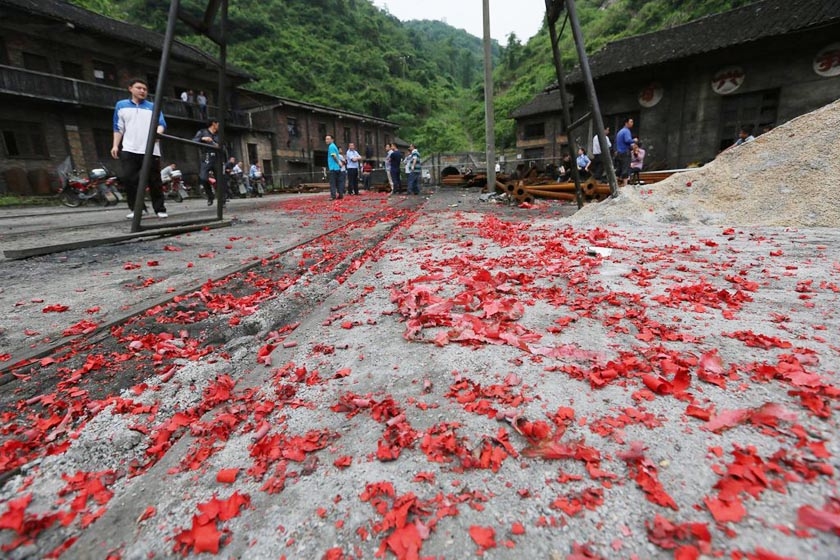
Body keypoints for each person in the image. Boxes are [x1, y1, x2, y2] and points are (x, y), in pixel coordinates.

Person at [111, 78, 167, 219]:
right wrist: (115, 145)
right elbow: (118, 127)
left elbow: (161, 123)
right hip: (130, 148)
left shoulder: (153, 106)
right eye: (139, 88)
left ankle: (159, 208)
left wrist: (158, 133)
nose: (142, 91)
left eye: (145, 89)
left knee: (154, 180)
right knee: (129, 179)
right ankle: (137, 209)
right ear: (130, 88)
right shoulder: (121, 105)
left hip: (151, 149)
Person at [193, 119, 220, 205]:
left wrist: (212, 142)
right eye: (218, 124)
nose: (219, 126)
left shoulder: (219, 135)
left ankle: (222, 200)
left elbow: (222, 146)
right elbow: (194, 141)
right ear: (214, 124)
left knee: (220, 179)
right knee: (203, 178)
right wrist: (202, 138)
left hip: (217, 157)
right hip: (206, 156)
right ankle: (210, 196)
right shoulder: (202, 132)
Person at [615, 117, 634, 186]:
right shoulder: (626, 131)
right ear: (626, 123)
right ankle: (625, 185)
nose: (632, 123)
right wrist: (634, 140)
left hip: (619, 153)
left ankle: (614, 183)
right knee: (625, 168)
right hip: (625, 152)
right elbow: (627, 140)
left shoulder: (620, 132)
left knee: (619, 169)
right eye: (631, 122)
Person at [326, 135, 343, 200]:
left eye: (328, 139)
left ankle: (333, 196)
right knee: (338, 182)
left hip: (333, 167)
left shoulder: (331, 146)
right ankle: (340, 195)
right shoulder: (334, 146)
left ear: (332, 140)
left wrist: (339, 162)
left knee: (332, 182)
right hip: (337, 168)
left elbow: (334, 156)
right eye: (326, 139)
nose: (326, 140)